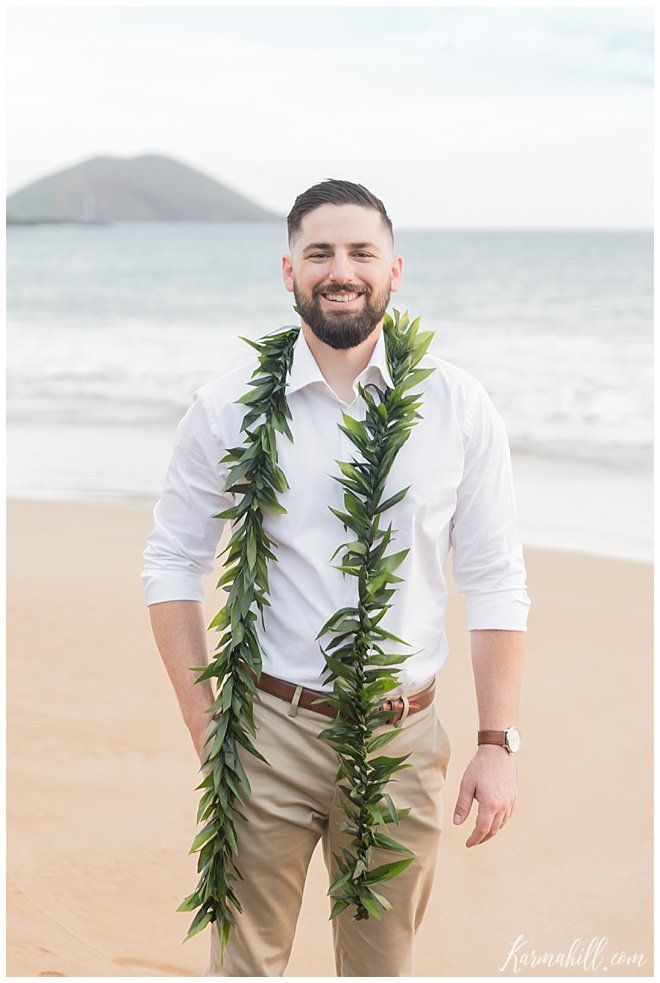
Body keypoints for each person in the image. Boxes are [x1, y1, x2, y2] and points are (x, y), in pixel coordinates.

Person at [141, 179, 531, 976]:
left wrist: (496, 741)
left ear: (395, 269)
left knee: (380, 966)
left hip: (403, 730)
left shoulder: (457, 406)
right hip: (266, 731)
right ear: (289, 271)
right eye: (319, 252)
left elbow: (494, 576)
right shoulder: (226, 410)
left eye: (361, 252)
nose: (340, 269)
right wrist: (203, 720)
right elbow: (172, 560)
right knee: (243, 964)